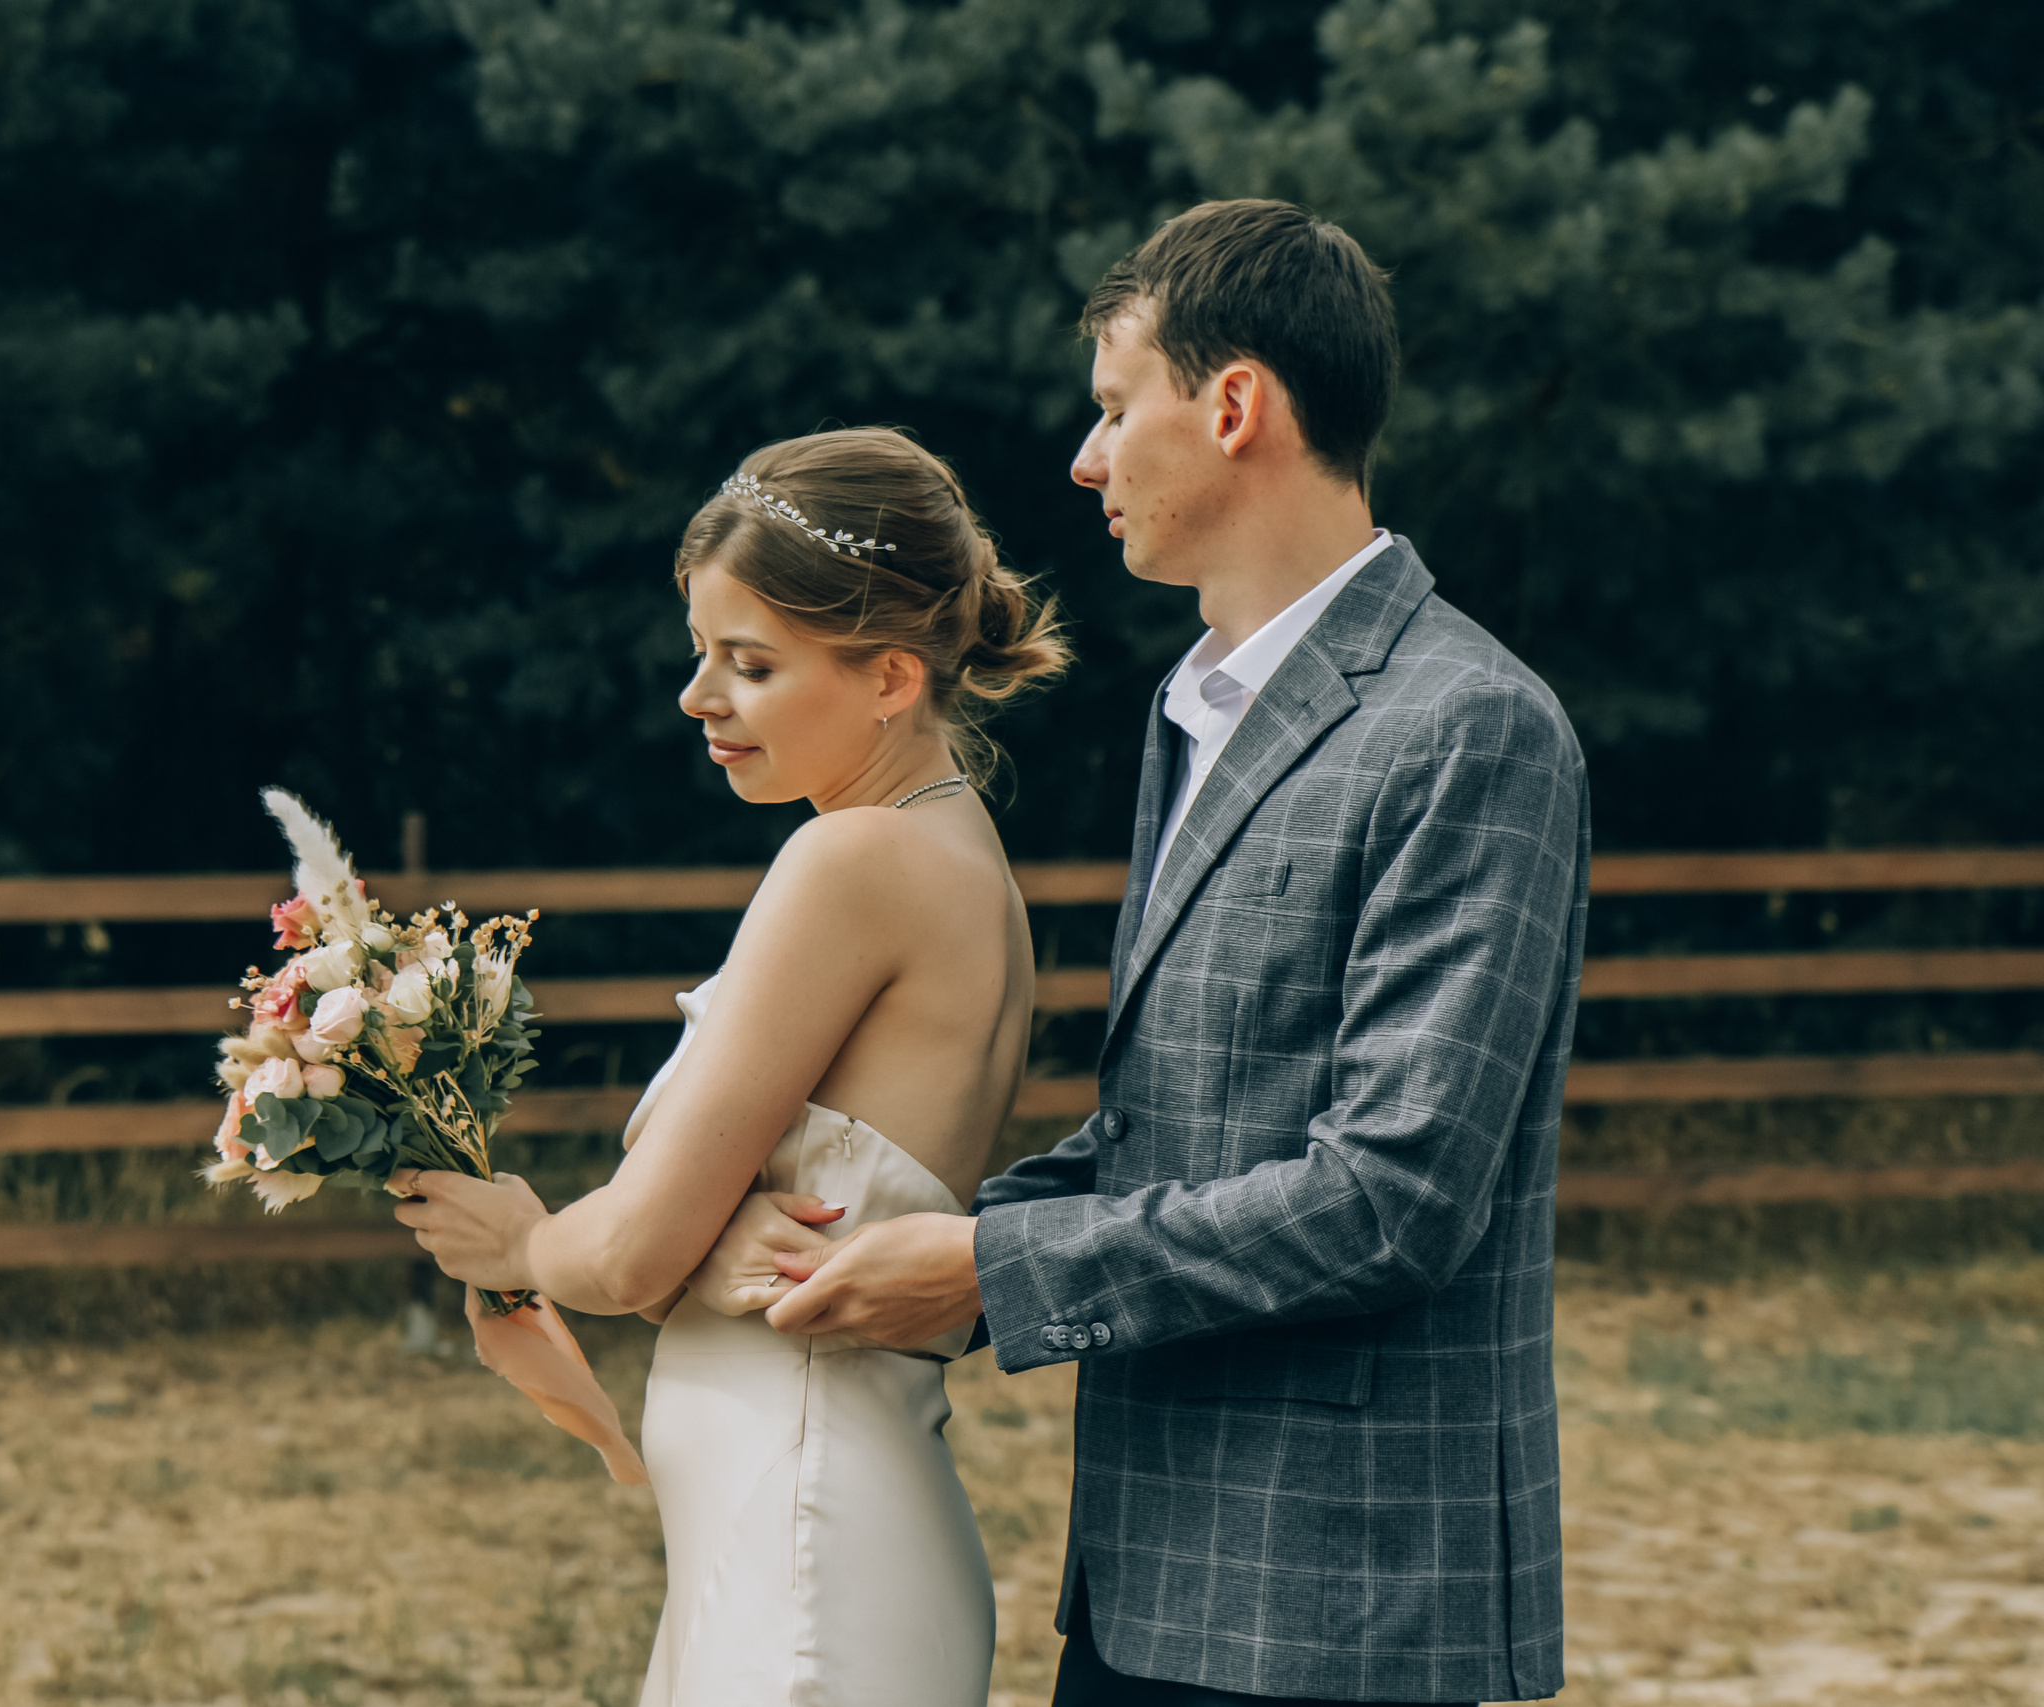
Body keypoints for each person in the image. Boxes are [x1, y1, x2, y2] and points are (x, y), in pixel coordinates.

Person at [752, 201, 1588, 1705]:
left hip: (1342, 1600)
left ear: (1234, 404)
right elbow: (1180, 1133)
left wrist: (991, 1266)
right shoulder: (1196, 707)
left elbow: (1392, 1194)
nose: (1085, 461)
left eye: (1111, 406)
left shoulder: (1470, 723)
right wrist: (890, 1222)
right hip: (1150, 1571)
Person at [394, 425, 1071, 1707]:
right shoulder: (951, 853)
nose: (699, 699)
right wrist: (697, 1242)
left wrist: (527, 1244)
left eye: (749, 664)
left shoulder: (854, 861)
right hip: (804, 1515)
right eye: (702, 654)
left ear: (885, 677)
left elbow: (633, 1252)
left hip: (804, 1536)